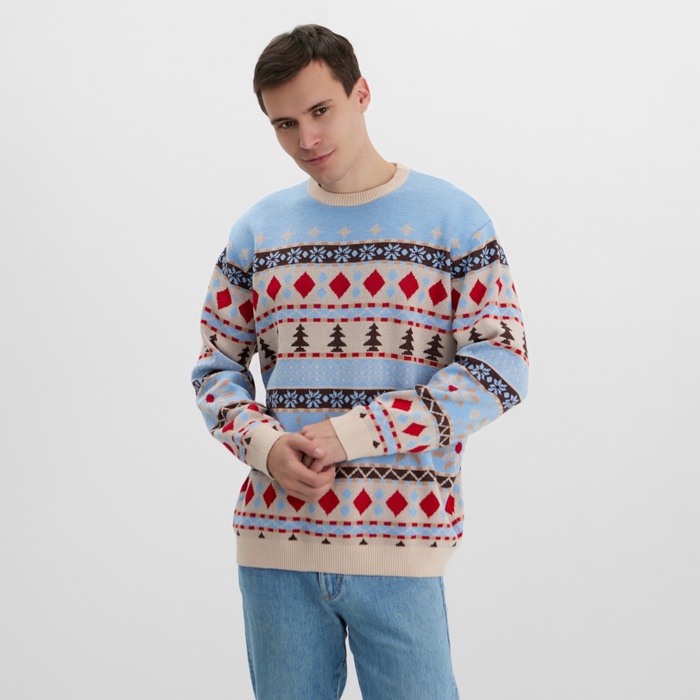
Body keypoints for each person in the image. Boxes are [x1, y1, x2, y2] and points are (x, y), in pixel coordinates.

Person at [192, 24, 528, 700]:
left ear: (362, 93)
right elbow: (215, 368)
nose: (307, 138)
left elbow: (501, 367)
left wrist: (355, 434)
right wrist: (265, 446)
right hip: (275, 543)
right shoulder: (258, 231)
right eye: (285, 124)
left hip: (401, 543)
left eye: (321, 110)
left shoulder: (452, 220)